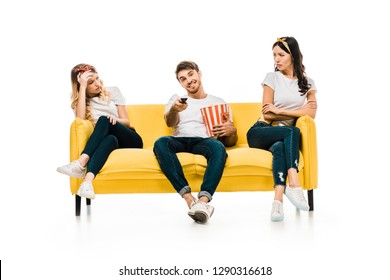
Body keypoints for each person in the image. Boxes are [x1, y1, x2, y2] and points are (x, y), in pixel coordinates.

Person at [153, 61, 238, 224]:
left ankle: (203, 202)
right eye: (183, 79)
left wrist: (231, 131)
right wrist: (174, 109)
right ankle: (189, 198)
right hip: (179, 140)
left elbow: (231, 141)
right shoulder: (177, 100)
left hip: (204, 141)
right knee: (160, 143)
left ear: (199, 74)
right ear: (180, 83)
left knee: (219, 148)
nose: (188, 80)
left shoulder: (219, 102)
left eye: (190, 74)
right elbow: (169, 123)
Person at [246, 37, 317, 222]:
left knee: (280, 147)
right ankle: (294, 182)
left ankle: (277, 203)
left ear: (292, 56)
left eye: (281, 55)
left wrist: (280, 110)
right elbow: (267, 115)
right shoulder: (272, 77)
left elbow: (311, 114)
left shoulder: (308, 83)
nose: (276, 59)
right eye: (274, 55)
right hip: (260, 131)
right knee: (293, 131)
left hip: (281, 139)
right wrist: (295, 113)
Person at [57, 64, 143, 199]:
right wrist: (83, 88)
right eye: (91, 82)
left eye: (97, 79)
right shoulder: (81, 99)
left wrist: (112, 120)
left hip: (130, 139)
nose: (97, 84)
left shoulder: (113, 91)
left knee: (104, 119)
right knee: (110, 139)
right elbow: (80, 121)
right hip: (111, 140)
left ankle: (81, 162)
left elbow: (126, 121)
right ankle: (87, 182)